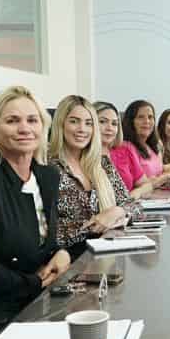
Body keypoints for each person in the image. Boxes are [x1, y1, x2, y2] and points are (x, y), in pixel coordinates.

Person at [0, 85, 70, 338]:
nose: (25, 128)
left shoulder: (48, 176)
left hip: (43, 299)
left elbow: (49, 239)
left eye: (32, 120)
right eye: (12, 121)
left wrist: (62, 253)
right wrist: (33, 283)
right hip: (3, 311)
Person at [52, 94, 139, 256]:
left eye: (89, 123)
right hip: (68, 258)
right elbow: (48, 231)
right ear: (60, 124)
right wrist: (97, 223)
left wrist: (116, 212)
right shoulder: (48, 167)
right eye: (74, 121)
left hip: (107, 252)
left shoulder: (103, 163)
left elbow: (134, 206)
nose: (82, 129)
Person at [110, 99, 170, 196]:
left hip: (158, 197)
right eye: (141, 117)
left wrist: (169, 171)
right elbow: (146, 183)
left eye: (150, 117)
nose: (147, 121)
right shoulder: (126, 147)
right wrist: (167, 175)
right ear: (131, 122)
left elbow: (157, 170)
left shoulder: (151, 146)